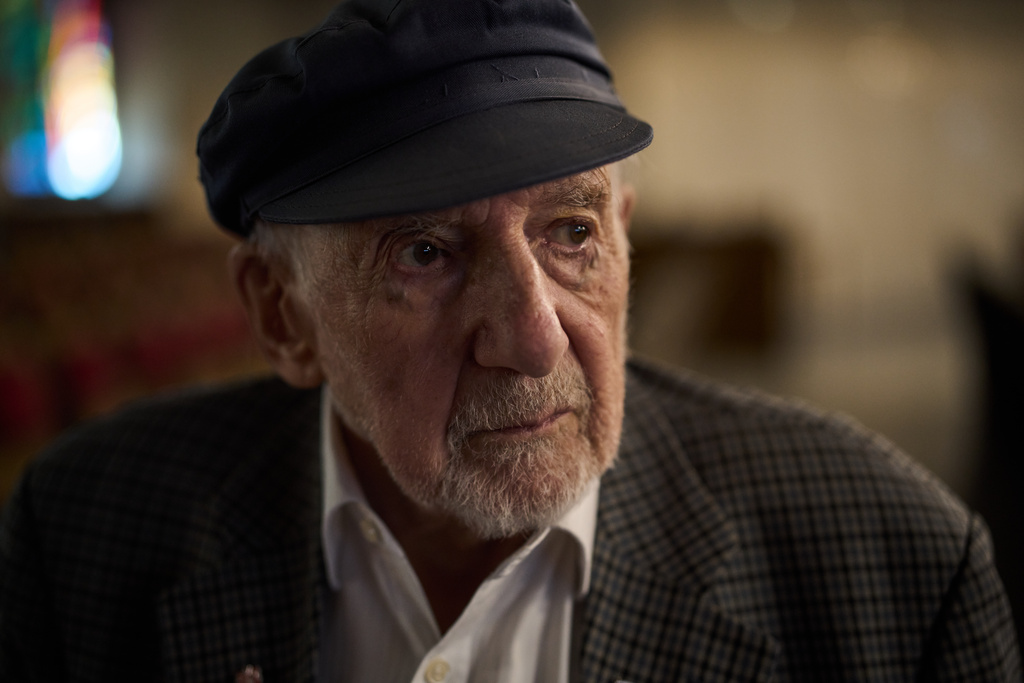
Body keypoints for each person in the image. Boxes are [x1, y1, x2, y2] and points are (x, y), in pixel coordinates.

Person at [0, 0, 1019, 680]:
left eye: (569, 232)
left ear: (621, 228)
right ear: (282, 314)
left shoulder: (897, 566)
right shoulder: (81, 532)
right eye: (424, 253)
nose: (533, 341)